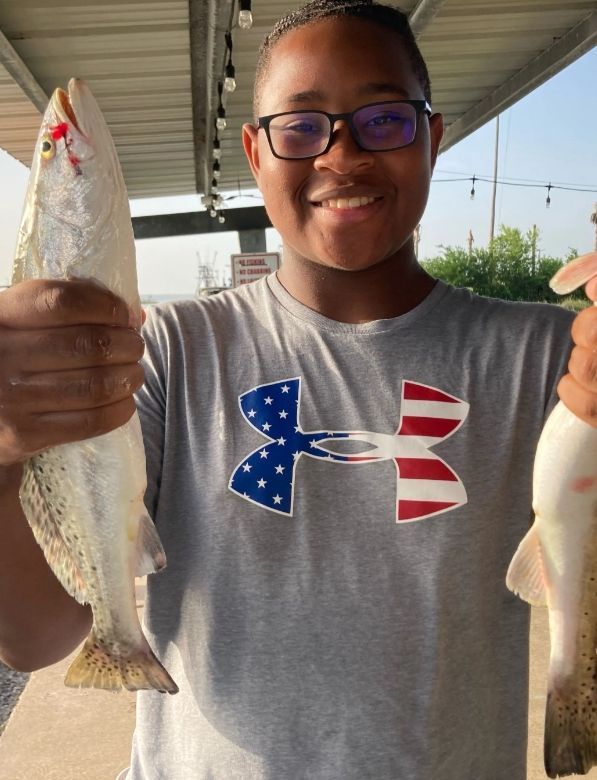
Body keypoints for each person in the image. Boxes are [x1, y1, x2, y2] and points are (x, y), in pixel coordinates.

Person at [0, 1, 596, 778]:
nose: (341, 155)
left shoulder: (549, 358)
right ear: (253, 151)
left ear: (433, 136)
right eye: (301, 126)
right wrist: (8, 458)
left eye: (384, 119)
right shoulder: (161, 355)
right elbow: (34, 639)